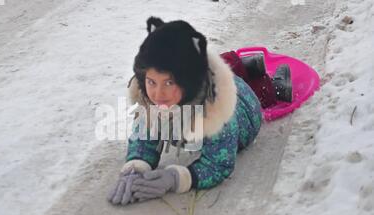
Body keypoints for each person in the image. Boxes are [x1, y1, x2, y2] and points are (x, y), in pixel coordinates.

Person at [108, 16, 292, 205]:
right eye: (152, 82)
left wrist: (177, 178)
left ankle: (274, 84)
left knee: (260, 92)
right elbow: (145, 136)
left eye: (169, 83)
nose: (158, 94)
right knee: (222, 63)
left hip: (244, 104)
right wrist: (137, 166)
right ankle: (241, 64)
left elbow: (218, 163)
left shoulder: (218, 113)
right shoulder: (151, 100)